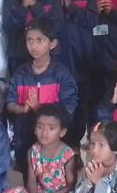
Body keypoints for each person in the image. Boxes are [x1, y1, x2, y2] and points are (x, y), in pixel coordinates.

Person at [5, 18, 79, 163]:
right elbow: (10, 102)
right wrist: (22, 109)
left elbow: (68, 109)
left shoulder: (62, 74)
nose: (33, 45)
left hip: (53, 144)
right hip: (24, 138)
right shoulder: (20, 73)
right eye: (30, 40)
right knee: (27, 170)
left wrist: (38, 107)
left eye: (40, 40)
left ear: (53, 44)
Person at [0, 104, 76, 193]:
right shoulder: (33, 151)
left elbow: (71, 186)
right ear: (34, 129)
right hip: (39, 192)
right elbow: (32, 180)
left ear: (62, 132)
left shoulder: (67, 154)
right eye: (40, 127)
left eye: (51, 128)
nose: (44, 132)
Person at [46, 0, 98, 112]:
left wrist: (70, 6)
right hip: (53, 58)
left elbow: (92, 21)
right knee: (55, 106)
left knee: (81, 105)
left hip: (81, 56)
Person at [1, 0, 58, 76]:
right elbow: (8, 29)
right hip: (18, 55)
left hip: (46, 57)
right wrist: (23, 7)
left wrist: (35, 5)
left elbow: (56, 27)